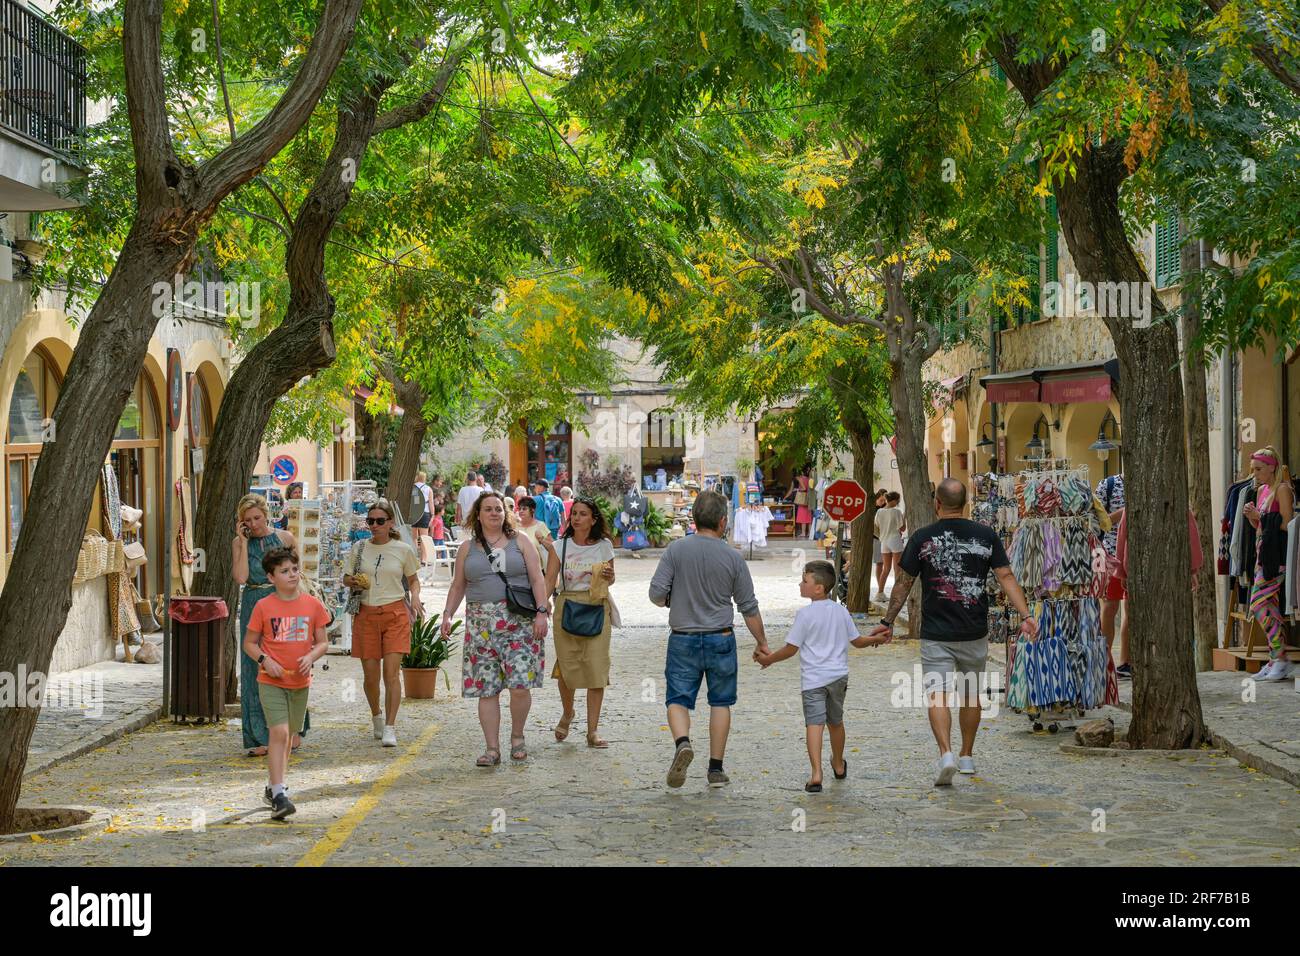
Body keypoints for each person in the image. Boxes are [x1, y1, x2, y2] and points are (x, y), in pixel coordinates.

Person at [868, 478, 1038, 787]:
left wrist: (888, 622)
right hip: (973, 631)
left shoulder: (921, 538)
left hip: (936, 633)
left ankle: (945, 754)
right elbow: (1006, 575)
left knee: (938, 695)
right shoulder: (986, 536)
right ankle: (967, 756)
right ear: (966, 504)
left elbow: (903, 583)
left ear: (937, 503)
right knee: (971, 695)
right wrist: (1025, 615)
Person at [649, 490, 770, 788]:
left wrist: (671, 600)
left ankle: (682, 742)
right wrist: (762, 642)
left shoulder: (675, 551)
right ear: (722, 521)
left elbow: (655, 594)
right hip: (720, 638)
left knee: (677, 698)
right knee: (720, 702)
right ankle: (715, 769)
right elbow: (748, 607)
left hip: (682, 639)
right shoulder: (733, 557)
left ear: (693, 517)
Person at [757, 560, 889, 792]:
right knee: (836, 722)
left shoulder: (805, 615)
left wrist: (768, 659)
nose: (800, 584)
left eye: (804, 580)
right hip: (838, 678)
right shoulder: (841, 611)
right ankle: (838, 764)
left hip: (812, 681)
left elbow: (791, 649)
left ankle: (816, 773)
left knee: (814, 724)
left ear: (818, 588)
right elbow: (857, 642)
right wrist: (875, 639)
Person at [442, 491, 550, 765]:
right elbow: (458, 585)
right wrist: (446, 614)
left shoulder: (521, 542)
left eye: (498, 509)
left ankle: (517, 738)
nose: (494, 513)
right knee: (487, 689)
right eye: (488, 509)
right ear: (477, 514)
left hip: (519, 623)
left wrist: (541, 612)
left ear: (506, 513)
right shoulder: (468, 548)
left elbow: (538, 579)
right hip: (481, 626)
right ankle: (491, 749)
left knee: (519, 685)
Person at [242, 547, 330, 820]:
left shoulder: (312, 605)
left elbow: (323, 642)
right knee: (278, 732)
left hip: (300, 681)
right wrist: (265, 661)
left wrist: (311, 656)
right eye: (284, 571)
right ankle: (280, 793)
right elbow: (249, 643)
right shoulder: (263, 606)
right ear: (271, 578)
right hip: (270, 680)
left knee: (290, 736)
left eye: (294, 569)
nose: (292, 575)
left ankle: (273, 785)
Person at [233, 493, 308, 756]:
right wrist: (242, 542)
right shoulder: (239, 542)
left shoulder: (284, 538)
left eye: (257, 518)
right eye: (247, 520)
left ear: (266, 514)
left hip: (282, 602)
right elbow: (241, 577)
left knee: (287, 662)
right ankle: (260, 736)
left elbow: (297, 573)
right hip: (254, 602)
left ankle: (293, 730)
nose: (253, 524)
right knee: (256, 668)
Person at [342, 499, 422, 747]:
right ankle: (376, 714)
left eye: (379, 521)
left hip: (395, 613)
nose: (374, 525)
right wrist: (354, 581)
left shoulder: (403, 549)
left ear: (390, 523)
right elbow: (345, 578)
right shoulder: (359, 548)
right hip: (366, 614)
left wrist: (416, 597)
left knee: (391, 674)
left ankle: (390, 726)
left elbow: (413, 580)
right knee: (370, 676)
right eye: (370, 521)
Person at [552, 496, 617, 748]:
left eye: (582, 514)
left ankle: (592, 730)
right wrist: (540, 606)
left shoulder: (604, 546)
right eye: (574, 513)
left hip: (597, 606)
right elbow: (550, 581)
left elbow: (610, 580)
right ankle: (568, 713)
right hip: (567, 606)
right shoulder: (561, 546)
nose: (576, 518)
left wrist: (610, 576)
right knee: (567, 668)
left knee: (596, 668)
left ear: (593, 519)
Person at [1242, 446, 1295, 681]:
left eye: (1259, 469)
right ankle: (1276, 659)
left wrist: (1259, 517)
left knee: (1258, 605)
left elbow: (1286, 524)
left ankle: (1281, 657)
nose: (1255, 473)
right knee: (1269, 607)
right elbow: (1263, 528)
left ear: (1272, 467)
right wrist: (1253, 518)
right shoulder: (1262, 490)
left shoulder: (1283, 490)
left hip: (1277, 559)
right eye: (1253, 469)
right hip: (1262, 556)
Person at [1095, 472, 1130, 677]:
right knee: (1109, 607)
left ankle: (1126, 662)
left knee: (1131, 609)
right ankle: (1105, 662)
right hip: (1107, 554)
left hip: (1136, 555)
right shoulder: (1108, 484)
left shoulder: (1149, 483)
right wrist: (1124, 513)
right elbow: (1097, 521)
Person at [517, 496, 561, 579]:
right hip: (518, 572)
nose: (521, 511)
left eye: (524, 509)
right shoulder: (515, 527)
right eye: (519, 509)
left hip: (537, 572)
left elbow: (553, 548)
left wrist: (541, 540)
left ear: (532, 510)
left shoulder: (540, 525)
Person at [873, 491, 905, 601]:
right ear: (895, 500)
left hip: (884, 541)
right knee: (897, 570)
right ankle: (897, 595)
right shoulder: (896, 512)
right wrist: (904, 517)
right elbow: (902, 528)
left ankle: (880, 593)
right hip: (895, 540)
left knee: (885, 569)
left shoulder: (879, 512)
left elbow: (876, 526)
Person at [411, 470, 434, 560]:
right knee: (424, 538)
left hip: (414, 513)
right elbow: (431, 503)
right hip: (425, 513)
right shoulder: (428, 489)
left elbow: (414, 502)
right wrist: (432, 515)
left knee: (414, 537)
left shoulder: (413, 488)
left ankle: (415, 557)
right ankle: (424, 559)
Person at [871, 489, 888, 600]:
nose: (883, 502)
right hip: (876, 538)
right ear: (878, 497)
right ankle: (879, 588)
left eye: (884, 500)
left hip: (885, 537)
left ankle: (881, 588)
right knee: (879, 563)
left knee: (884, 564)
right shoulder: (873, 509)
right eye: (881, 500)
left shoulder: (886, 508)